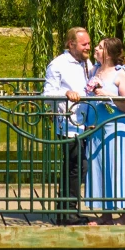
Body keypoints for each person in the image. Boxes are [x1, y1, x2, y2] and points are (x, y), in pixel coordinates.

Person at [80, 36, 125, 225]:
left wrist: (108, 95)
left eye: (99, 47)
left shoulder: (121, 73)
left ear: (109, 53)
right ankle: (106, 216)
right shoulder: (94, 70)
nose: (95, 49)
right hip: (97, 130)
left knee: (119, 168)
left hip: (116, 130)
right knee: (100, 167)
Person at [42, 26, 94, 221]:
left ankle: (65, 210)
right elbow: (47, 96)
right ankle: (69, 212)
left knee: (76, 167)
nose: (88, 47)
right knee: (76, 167)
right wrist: (66, 94)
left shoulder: (86, 63)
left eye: (89, 43)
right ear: (71, 44)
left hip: (86, 123)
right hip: (69, 125)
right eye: (84, 44)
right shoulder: (57, 65)